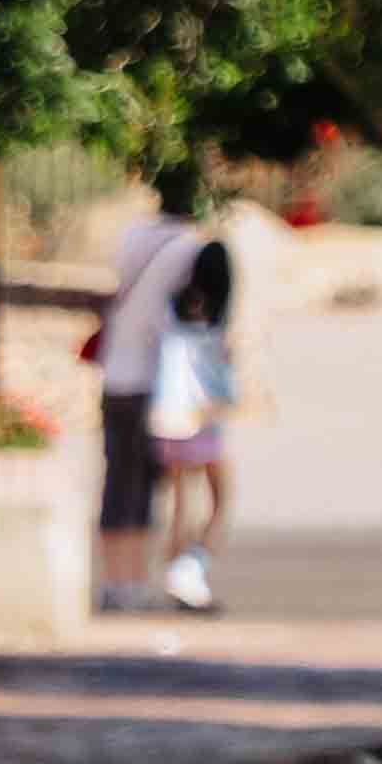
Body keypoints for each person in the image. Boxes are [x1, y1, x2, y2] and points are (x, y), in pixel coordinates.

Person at [91, 172, 212, 617]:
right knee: (143, 485)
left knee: (115, 481)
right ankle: (134, 581)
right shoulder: (192, 247)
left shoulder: (132, 235)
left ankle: (113, 580)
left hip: (114, 375)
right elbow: (191, 315)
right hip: (155, 381)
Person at [147, 230, 236, 618]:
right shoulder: (218, 318)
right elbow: (222, 377)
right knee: (219, 499)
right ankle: (190, 568)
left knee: (181, 502)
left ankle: (177, 569)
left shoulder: (173, 307)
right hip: (201, 420)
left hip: (168, 418)